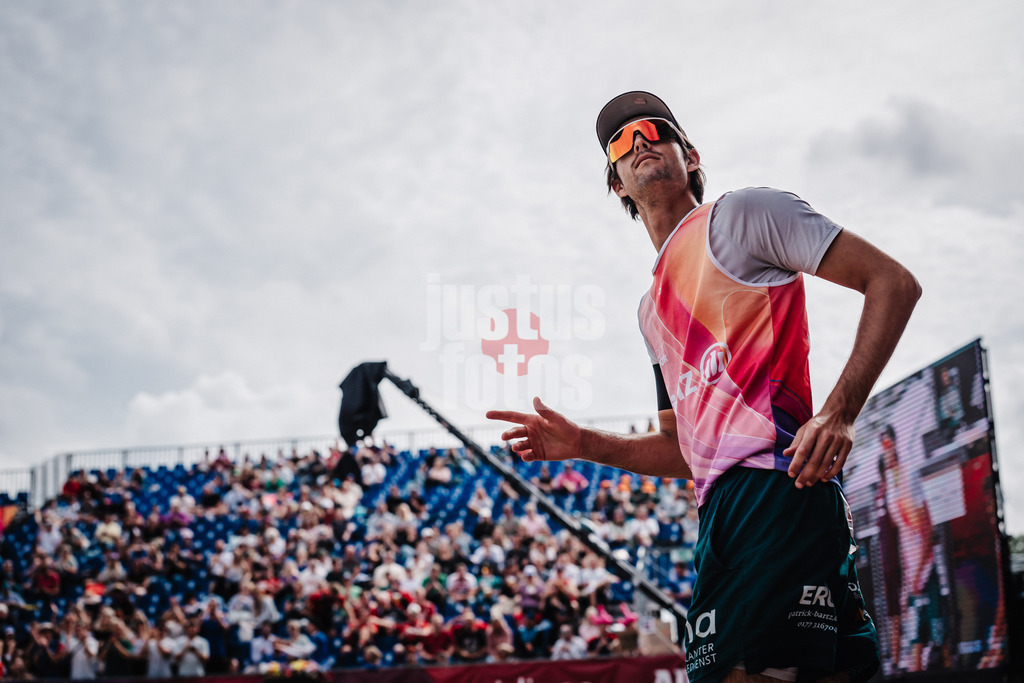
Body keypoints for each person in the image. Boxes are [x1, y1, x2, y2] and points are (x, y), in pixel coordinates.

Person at [488, 90, 922, 683]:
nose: (639, 141)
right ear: (616, 183)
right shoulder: (648, 313)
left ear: (689, 155)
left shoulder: (744, 215)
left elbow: (892, 282)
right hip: (721, 516)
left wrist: (840, 411)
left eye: (653, 129)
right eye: (620, 141)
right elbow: (685, 451)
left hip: (776, 488)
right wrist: (586, 443)